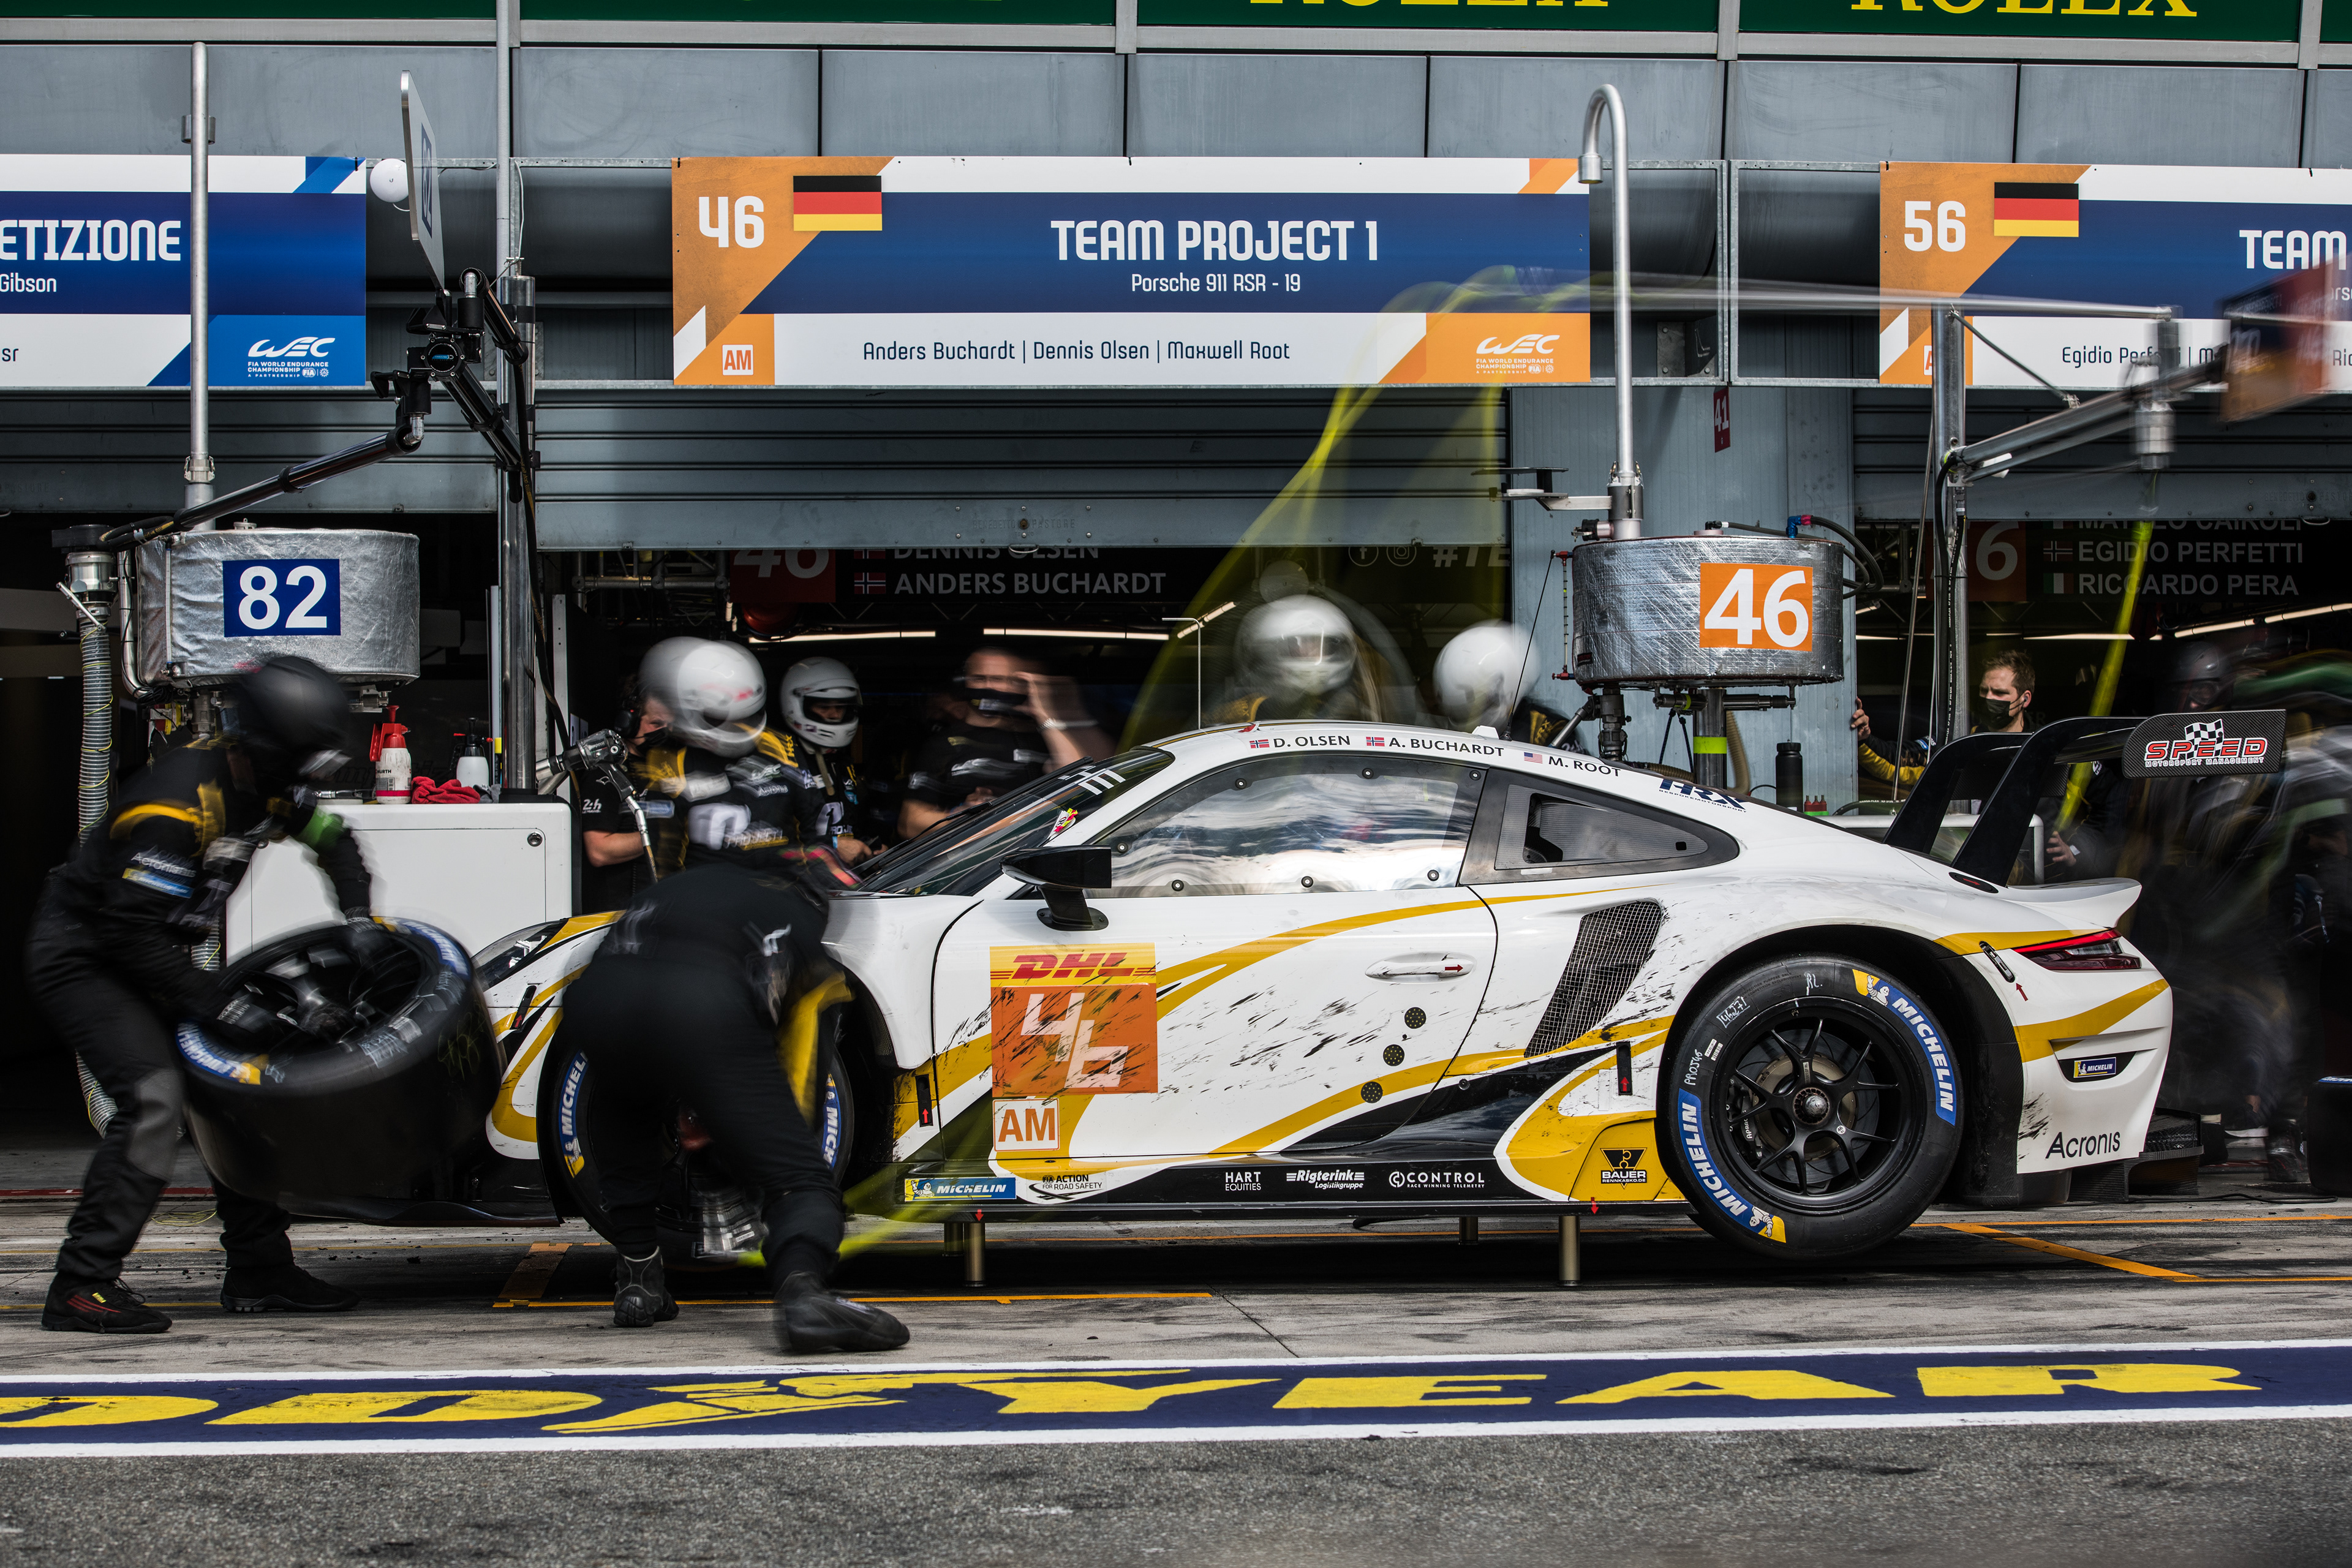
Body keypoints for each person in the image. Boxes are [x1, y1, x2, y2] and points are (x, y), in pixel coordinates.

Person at [27, 655, 372, 1333]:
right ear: (272, 745)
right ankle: (80, 1284)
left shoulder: (274, 783)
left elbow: (335, 840)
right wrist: (217, 1001)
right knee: (154, 1099)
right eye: (302, 760)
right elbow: (126, 933)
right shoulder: (175, 806)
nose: (308, 780)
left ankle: (261, 1272)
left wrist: (358, 920)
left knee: (240, 1084)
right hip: (85, 955)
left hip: (148, 952)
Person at [553, 859, 908, 1354]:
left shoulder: (686, 883)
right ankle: (804, 1297)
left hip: (595, 1001)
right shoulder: (800, 922)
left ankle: (638, 1279)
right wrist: (759, 1143)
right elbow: (800, 1070)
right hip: (702, 1008)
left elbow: (627, 964)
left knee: (624, 1106)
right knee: (799, 1176)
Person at [630, 638, 853, 885]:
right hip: (708, 901)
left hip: (783, 892)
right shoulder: (667, 760)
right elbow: (663, 858)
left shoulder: (780, 744)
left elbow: (813, 825)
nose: (738, 728)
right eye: (723, 718)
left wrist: (813, 886)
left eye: (746, 717)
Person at [899, 646, 1110, 839]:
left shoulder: (1044, 736)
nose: (990, 687)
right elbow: (910, 824)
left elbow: (1080, 787)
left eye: (999, 679)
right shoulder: (943, 744)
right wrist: (962, 815)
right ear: (964, 683)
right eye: (980, 679)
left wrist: (1045, 715)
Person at [1851, 649, 2039, 790]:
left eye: (1999, 693)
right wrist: (1864, 739)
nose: (1989, 698)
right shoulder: (1959, 739)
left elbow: (2061, 808)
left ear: (2025, 699)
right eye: (1984, 690)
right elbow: (1899, 759)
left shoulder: (2043, 746)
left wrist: (2068, 843)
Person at [1216, 594, 1393, 725]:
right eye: (1300, 644)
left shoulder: (1354, 714)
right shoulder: (1240, 713)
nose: (1312, 653)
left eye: (1319, 644)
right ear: (1270, 651)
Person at [772, 657, 881, 868]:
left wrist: (867, 847)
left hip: (840, 878)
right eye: (824, 707)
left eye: (840, 707)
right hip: (798, 880)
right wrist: (832, 846)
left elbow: (849, 825)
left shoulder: (842, 762)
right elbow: (766, 841)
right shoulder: (780, 761)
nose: (834, 715)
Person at [577, 676, 673, 913]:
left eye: (670, 726)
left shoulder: (669, 772)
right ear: (628, 722)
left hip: (661, 915)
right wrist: (671, 834)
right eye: (656, 724)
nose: (665, 732)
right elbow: (599, 850)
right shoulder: (605, 774)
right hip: (618, 919)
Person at [1432, 620, 1577, 747]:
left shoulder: (1551, 730)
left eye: (1478, 704)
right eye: (1460, 712)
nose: (1468, 716)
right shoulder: (1448, 737)